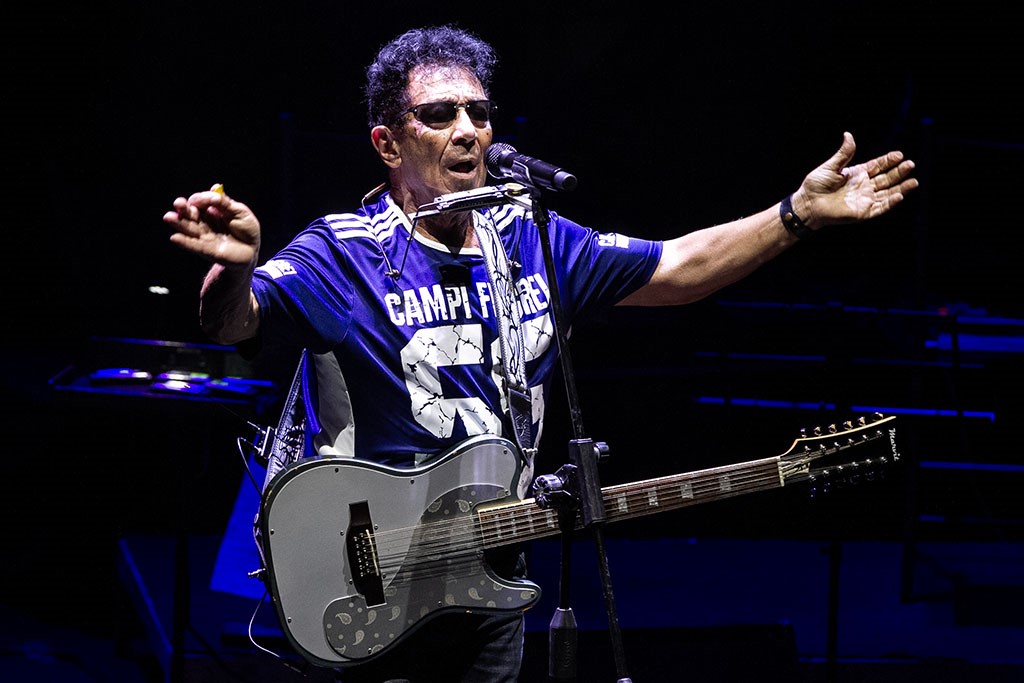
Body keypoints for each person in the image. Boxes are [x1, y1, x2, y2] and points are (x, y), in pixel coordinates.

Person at [162, 23, 917, 683]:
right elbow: (235, 323)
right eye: (440, 114)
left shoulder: (531, 240)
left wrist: (795, 214)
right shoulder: (344, 252)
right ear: (388, 143)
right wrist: (232, 270)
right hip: (368, 572)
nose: (468, 130)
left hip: (491, 569)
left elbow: (679, 267)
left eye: (479, 112)